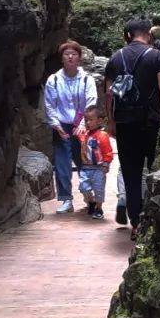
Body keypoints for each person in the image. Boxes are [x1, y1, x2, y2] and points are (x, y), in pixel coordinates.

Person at [105, 17, 160, 238]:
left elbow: (109, 94)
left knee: (131, 174)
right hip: (151, 123)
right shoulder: (157, 57)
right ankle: (155, 220)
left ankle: (136, 223)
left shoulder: (115, 58)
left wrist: (111, 122)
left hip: (125, 123)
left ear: (128, 35)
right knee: (155, 170)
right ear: (148, 34)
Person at [42, 38, 96, 213]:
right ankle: (66, 199)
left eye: (74, 54)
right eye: (67, 54)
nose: (70, 57)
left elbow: (91, 101)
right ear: (62, 58)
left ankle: (88, 194)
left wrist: (84, 122)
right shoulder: (54, 80)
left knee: (85, 161)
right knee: (62, 164)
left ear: (79, 57)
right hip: (62, 127)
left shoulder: (87, 79)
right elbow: (50, 104)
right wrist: (55, 124)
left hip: (82, 126)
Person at [76, 108, 114, 218]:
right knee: (83, 187)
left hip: (99, 168)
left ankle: (99, 209)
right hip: (86, 167)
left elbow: (107, 151)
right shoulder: (84, 134)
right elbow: (76, 133)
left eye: (91, 120)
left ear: (99, 121)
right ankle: (91, 202)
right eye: (86, 120)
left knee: (99, 189)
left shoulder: (103, 135)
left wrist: (106, 163)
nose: (88, 123)